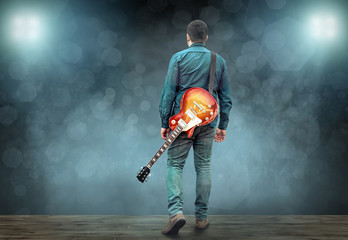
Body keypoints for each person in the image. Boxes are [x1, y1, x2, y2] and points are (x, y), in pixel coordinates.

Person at [159, 19, 232, 235]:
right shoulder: (218, 61)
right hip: (208, 123)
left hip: (181, 122)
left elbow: (168, 94)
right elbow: (225, 98)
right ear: (206, 38)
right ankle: (201, 218)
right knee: (204, 167)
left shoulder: (178, 58)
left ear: (188, 37)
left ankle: (176, 213)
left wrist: (165, 122)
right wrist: (223, 125)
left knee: (174, 166)